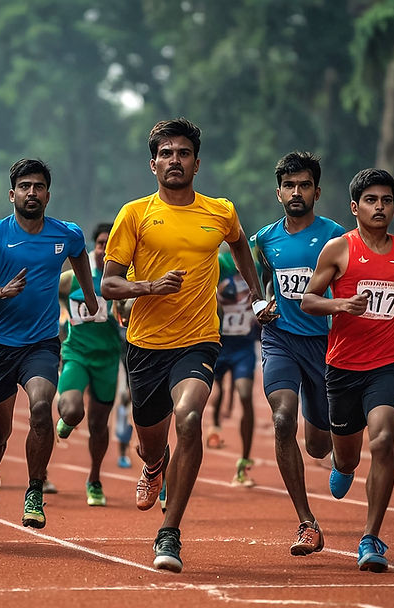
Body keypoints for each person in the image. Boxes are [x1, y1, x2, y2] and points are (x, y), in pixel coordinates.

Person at [101, 118, 271, 572]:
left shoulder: (220, 210)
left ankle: (169, 532)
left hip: (199, 340)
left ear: (197, 161)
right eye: (166, 153)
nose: (175, 160)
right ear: (153, 163)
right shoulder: (134, 214)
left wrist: (256, 293)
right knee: (150, 442)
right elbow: (109, 285)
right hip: (145, 345)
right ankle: (155, 465)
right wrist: (151, 286)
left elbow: (239, 245)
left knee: (190, 417)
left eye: (183, 153)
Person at [301, 168, 394, 571]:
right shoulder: (338, 249)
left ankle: (371, 537)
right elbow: (309, 300)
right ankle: (344, 468)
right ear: (354, 207)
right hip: (343, 366)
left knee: (382, 441)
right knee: (345, 458)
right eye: (370, 200)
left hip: (387, 364)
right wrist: (340, 305)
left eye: (385, 200)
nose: (378, 207)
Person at [0, 159, 98, 534]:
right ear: (12, 194)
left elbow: (80, 254)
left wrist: (90, 294)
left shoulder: (64, 233)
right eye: (24, 186)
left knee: (40, 410)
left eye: (38, 186)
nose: (31, 192)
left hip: (41, 343)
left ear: (48, 194)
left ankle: (35, 491)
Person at [252, 151, 345, 556]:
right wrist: (260, 304)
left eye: (303, 185)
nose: (296, 192)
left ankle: (341, 457)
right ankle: (306, 522)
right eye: (289, 185)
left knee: (320, 446)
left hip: (326, 345)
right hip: (281, 339)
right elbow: (256, 274)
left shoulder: (337, 236)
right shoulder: (264, 239)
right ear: (278, 192)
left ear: (317, 191)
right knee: (282, 417)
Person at [55, 222, 122, 506]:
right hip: (76, 353)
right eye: (100, 243)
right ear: (94, 246)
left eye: (110, 244)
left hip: (107, 357)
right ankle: (68, 420)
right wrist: (61, 317)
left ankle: (94, 479)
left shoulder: (119, 279)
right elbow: (52, 293)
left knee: (98, 424)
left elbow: (128, 310)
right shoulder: (71, 279)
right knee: (71, 409)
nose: (103, 248)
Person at [210, 247, 261, 487]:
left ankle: (244, 461)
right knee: (210, 394)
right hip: (218, 344)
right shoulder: (220, 263)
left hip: (243, 348)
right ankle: (213, 427)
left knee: (244, 395)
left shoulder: (255, 265)